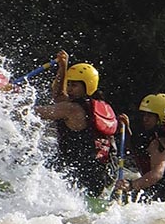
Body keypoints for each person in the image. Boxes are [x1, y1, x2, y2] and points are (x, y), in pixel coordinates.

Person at [34, 50, 117, 197]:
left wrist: (8, 99)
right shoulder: (97, 106)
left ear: (87, 86)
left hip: (78, 176)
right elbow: (58, 95)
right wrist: (62, 67)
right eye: (69, 84)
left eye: (74, 86)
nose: (70, 89)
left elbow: (36, 112)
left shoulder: (72, 109)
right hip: (97, 174)